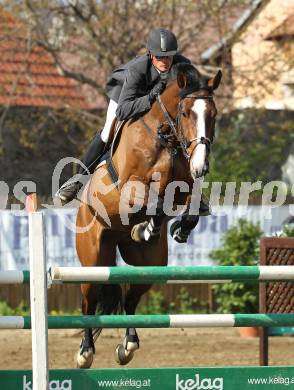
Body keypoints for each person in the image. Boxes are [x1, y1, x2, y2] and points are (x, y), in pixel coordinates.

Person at [55, 28, 209, 216]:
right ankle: (76, 181)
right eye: (159, 57)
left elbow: (195, 96)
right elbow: (123, 110)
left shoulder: (184, 67)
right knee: (107, 132)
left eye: (168, 56)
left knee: (187, 132)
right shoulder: (138, 69)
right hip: (125, 96)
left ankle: (194, 191)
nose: (164, 61)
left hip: (158, 106)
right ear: (151, 55)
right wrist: (150, 98)